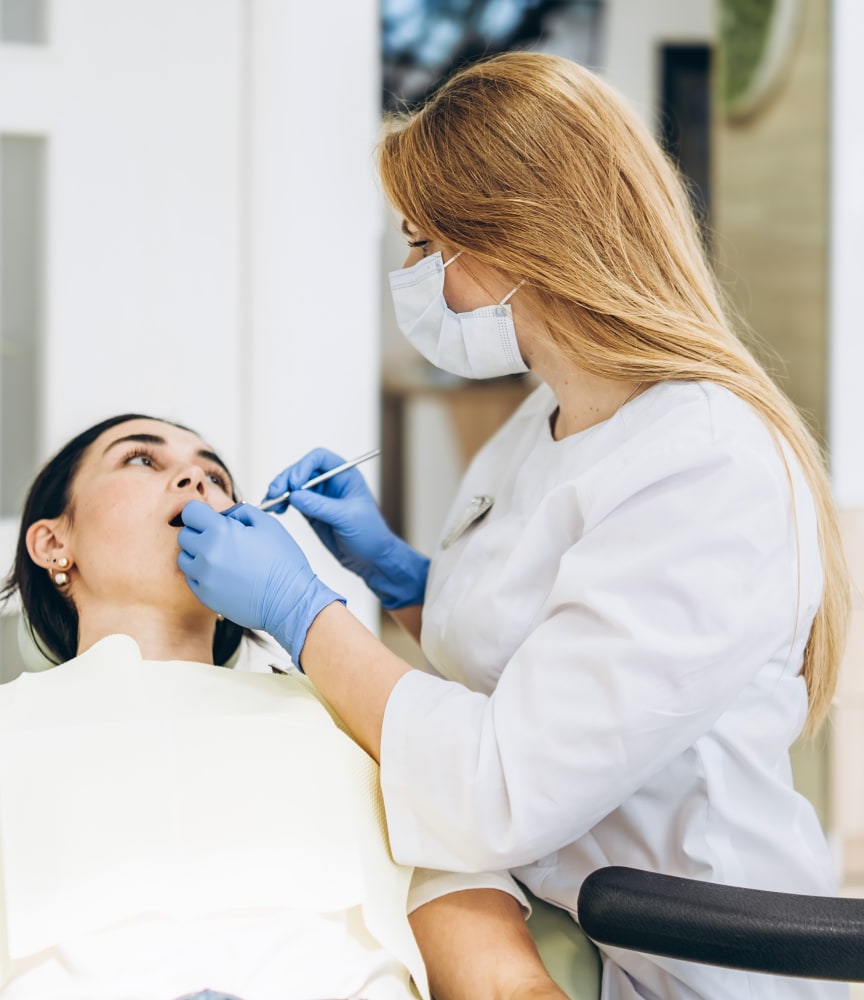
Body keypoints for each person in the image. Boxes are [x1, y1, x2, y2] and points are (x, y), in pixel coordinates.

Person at [174, 52, 853, 1000]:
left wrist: (303, 611)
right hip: (562, 913)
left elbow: (502, 787)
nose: (410, 277)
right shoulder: (550, 415)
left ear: (514, 243)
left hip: (702, 956)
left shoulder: (706, 466)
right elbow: (531, 650)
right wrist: (406, 580)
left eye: (421, 247)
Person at [0, 414, 570, 1000]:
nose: (196, 479)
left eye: (217, 476)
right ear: (54, 543)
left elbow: (507, 984)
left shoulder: (360, 722)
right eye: (140, 459)